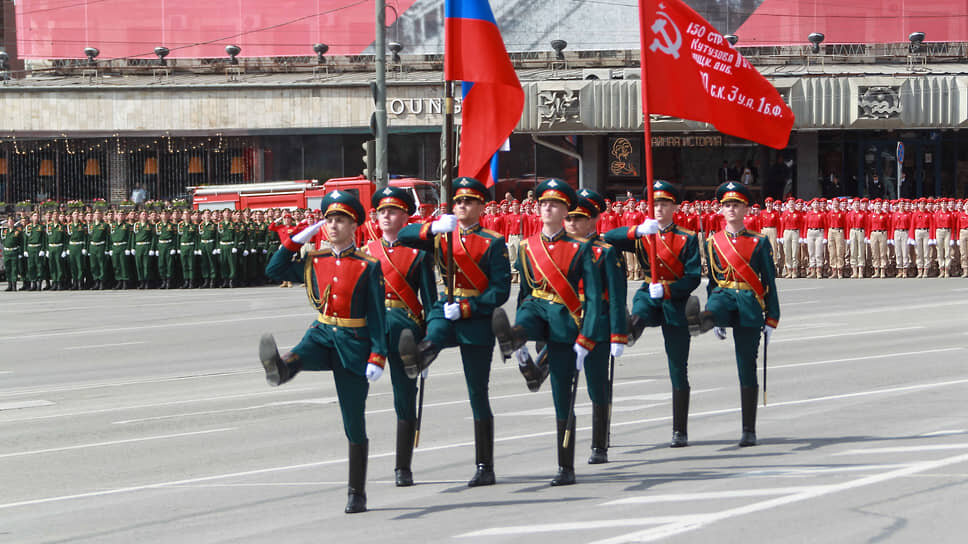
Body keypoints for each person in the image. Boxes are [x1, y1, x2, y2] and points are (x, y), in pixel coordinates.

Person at [260, 191, 387, 514]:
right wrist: (293, 241)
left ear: (353, 225)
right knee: (302, 351)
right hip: (322, 334)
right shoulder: (315, 259)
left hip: (353, 343)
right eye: (329, 220)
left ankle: (356, 492)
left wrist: (378, 355)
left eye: (339, 220)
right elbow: (274, 270)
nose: (332, 226)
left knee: (353, 422)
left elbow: (377, 315)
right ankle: (282, 368)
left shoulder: (367, 266)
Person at [396, 177, 511, 487]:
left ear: (481, 207)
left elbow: (500, 291)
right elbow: (403, 235)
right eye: (458, 201)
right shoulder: (442, 234)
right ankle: (419, 357)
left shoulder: (493, 242)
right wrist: (431, 227)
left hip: (475, 316)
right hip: (445, 307)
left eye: (469, 202)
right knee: (435, 332)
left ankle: (485, 466)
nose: (462, 206)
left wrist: (469, 308)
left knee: (477, 393)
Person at [491, 179, 602, 486]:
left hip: (566, 323)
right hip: (537, 311)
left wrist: (587, 339)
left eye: (554, 204)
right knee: (526, 313)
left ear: (566, 210)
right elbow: (525, 292)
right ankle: (515, 340)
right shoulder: (527, 247)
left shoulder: (581, 249)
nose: (547, 208)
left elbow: (592, 299)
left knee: (562, 397)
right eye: (543, 204)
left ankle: (565, 467)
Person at [604, 181, 702, 448]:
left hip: (676, 300)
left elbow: (693, 277)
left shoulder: (687, 237)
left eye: (664, 203)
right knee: (641, 308)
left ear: (674, 207)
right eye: (655, 204)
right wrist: (636, 230)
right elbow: (606, 239)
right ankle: (629, 331)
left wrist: (670, 290)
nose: (659, 208)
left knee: (677, 366)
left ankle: (679, 430)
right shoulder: (643, 234)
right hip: (649, 290)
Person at [364, 186, 437, 487]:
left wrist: (430, 343)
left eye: (392, 211)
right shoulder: (366, 252)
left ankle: (402, 467)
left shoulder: (418, 256)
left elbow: (432, 304)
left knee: (404, 399)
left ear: (406, 216)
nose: (385, 216)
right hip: (370, 330)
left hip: (406, 331)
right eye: (381, 211)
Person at [703, 182, 780, 447]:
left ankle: (749, 429)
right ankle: (704, 319)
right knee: (703, 316)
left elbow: (768, 280)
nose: (731, 209)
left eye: (736, 204)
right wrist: (713, 313)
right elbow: (713, 281)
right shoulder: (713, 241)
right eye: (726, 205)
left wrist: (772, 318)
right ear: (720, 210)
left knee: (746, 365)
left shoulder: (758, 242)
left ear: (746, 209)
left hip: (749, 302)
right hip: (724, 298)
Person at [564, 188, 627, 462]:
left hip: (598, 325)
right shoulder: (561, 250)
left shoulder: (605, 252)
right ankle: (565, 445)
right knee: (563, 385)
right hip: (566, 323)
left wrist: (617, 335)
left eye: (578, 219)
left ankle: (599, 444)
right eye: (569, 219)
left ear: (593, 221)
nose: (572, 224)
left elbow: (616, 296)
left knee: (597, 386)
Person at [87, 209, 110, 290]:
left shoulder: (104, 225)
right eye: (96, 213)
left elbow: (108, 237)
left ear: (101, 215)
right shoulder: (91, 225)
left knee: (101, 265)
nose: (97, 215)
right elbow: (88, 238)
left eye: (99, 213)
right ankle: (96, 281)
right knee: (94, 265)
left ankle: (102, 282)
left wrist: (107, 249)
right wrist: (88, 249)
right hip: (92, 246)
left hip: (101, 246)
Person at [2, 216, 24, 291]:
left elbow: (21, 243)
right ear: (7, 223)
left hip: (14, 252)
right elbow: (3, 241)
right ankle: (9, 285)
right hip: (7, 252)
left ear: (14, 223)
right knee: (8, 269)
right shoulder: (4, 232)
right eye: (9, 221)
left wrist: (20, 253)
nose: (10, 223)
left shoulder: (17, 231)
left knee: (14, 269)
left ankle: (14, 285)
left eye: (12, 221)